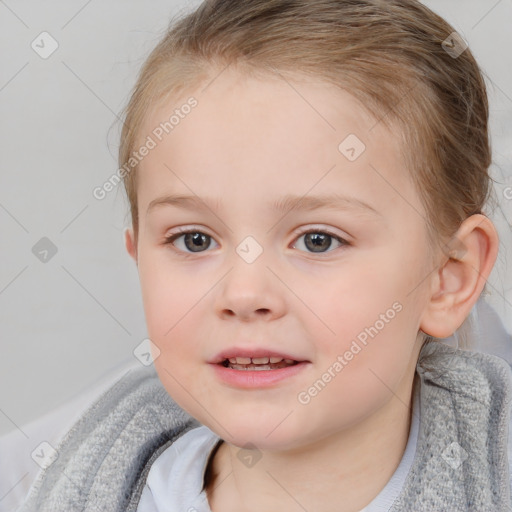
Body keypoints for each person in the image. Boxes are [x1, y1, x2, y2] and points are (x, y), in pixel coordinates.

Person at [17, 0, 512, 510]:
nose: (244, 293)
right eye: (195, 239)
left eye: (318, 240)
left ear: (449, 277)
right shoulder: (71, 481)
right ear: (138, 255)